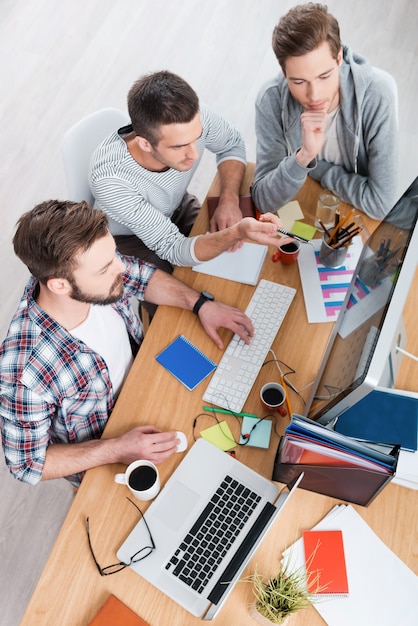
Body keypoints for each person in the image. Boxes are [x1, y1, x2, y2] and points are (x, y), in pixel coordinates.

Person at [0, 200, 282, 487]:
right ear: (59, 285)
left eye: (113, 255)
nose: (121, 266)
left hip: (146, 383)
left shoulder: (90, 273)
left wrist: (199, 304)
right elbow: (27, 464)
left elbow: (141, 276)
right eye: (106, 267)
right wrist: (117, 448)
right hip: (111, 449)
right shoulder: (24, 373)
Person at [89, 70, 249, 275]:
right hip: (127, 241)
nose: (194, 154)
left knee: (232, 263)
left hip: (175, 208)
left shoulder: (194, 119)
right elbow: (171, 247)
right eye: (179, 147)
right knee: (186, 294)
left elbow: (232, 145)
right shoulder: (110, 180)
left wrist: (229, 200)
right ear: (145, 144)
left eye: (197, 137)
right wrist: (234, 232)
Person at [252, 2, 399, 221]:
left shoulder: (377, 97)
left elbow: (381, 204)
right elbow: (263, 200)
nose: (314, 95)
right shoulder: (271, 100)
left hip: (352, 216)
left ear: (339, 58)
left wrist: (317, 168)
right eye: (300, 81)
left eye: (324, 76)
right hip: (305, 203)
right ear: (284, 73)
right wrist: (304, 158)